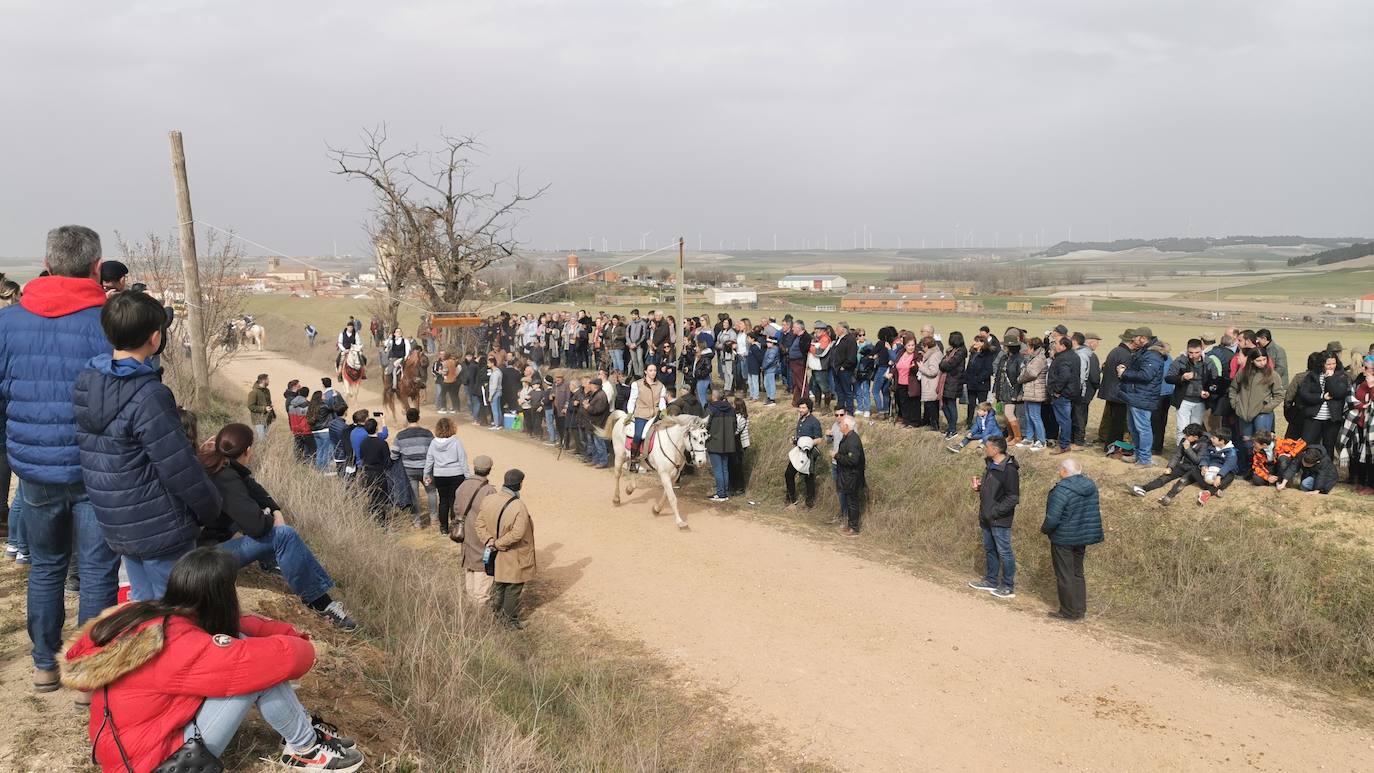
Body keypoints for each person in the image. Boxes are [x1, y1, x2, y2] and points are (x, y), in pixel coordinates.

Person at [61, 547, 364, 772]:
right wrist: (301, 644)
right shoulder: (181, 644)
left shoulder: (152, 616)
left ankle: (302, 733)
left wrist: (283, 632)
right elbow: (281, 659)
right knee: (257, 673)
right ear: (220, 596)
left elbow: (240, 627)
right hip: (156, 765)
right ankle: (305, 748)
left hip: (126, 750)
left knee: (249, 655)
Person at [0, 225, 121, 695]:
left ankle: (44, 666)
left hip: (34, 468)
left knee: (47, 566)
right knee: (95, 571)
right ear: (96, 267)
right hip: (98, 468)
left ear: (47, 265)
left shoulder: (8, 322)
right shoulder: (112, 319)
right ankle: (88, 673)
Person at [74, 290, 223, 602]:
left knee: (142, 606)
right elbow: (177, 465)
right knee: (178, 609)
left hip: (117, 519)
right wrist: (210, 507)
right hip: (161, 525)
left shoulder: (88, 381)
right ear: (155, 338)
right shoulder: (149, 394)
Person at [197, 424, 357, 631]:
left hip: (201, 550)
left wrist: (275, 510)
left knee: (258, 514)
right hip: (205, 559)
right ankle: (322, 603)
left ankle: (272, 562)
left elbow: (257, 492)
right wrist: (272, 520)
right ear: (247, 450)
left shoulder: (220, 466)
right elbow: (255, 526)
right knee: (283, 534)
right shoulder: (225, 478)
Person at [1040, 458, 1103, 621]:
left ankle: (1068, 611)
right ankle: (1079, 609)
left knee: (1064, 574)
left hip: (1063, 537)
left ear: (1065, 471)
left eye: (1060, 469)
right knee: (1077, 573)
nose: (1058, 471)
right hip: (1082, 536)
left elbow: (1053, 518)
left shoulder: (1061, 490)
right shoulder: (1091, 486)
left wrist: (1045, 530)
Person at [476, 469, 536, 629]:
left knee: (499, 582)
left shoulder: (489, 499)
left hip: (494, 551)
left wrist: (489, 541)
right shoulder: (518, 506)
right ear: (520, 484)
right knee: (514, 586)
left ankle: (494, 615)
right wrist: (499, 543)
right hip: (513, 553)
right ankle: (510, 622)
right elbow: (517, 534)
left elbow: (479, 524)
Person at [968, 436, 1019, 600]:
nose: (985, 448)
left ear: (996, 450)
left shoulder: (1009, 470)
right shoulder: (990, 465)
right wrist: (980, 488)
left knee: (1005, 552)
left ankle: (1008, 586)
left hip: (999, 519)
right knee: (990, 550)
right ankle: (991, 581)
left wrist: (995, 512)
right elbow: (994, 490)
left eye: (988, 447)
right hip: (986, 517)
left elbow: (1013, 498)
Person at [1117, 328, 1168, 466]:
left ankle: (1145, 459)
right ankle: (1138, 455)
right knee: (1133, 428)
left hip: (1143, 397)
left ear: (1144, 338)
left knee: (1143, 429)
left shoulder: (1152, 355)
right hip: (1135, 395)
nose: (1133, 340)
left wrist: (1124, 373)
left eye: (1135, 337)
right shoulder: (1145, 352)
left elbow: (1146, 375)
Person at [1229, 349, 1284, 472]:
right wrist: (1235, 405)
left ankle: (1265, 469)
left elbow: (1279, 395)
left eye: (1264, 359)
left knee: (1262, 442)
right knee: (1247, 442)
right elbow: (1233, 389)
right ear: (1252, 361)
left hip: (1262, 415)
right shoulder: (1242, 373)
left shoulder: (1272, 375)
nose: (1262, 363)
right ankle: (1248, 468)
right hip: (1244, 414)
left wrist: (1265, 408)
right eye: (1259, 360)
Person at [1129, 423, 1207, 505]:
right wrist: (1170, 467)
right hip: (1184, 466)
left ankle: (1168, 497)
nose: (1185, 437)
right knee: (1165, 477)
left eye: (1187, 436)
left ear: (1196, 437)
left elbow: (1198, 460)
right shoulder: (1184, 441)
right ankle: (1144, 488)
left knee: (1182, 481)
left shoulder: (1203, 445)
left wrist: (1188, 449)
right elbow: (1177, 455)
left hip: (1194, 470)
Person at [455, 455, 498, 600]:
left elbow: (456, 509)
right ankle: (480, 603)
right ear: (489, 470)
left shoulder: (462, 485)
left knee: (469, 564)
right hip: (481, 535)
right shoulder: (489, 491)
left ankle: (471, 600)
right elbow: (493, 516)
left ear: (474, 468)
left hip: (464, 532)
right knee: (482, 565)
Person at [1295, 349, 1349, 458]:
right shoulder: (1312, 375)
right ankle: (1307, 468)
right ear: (1322, 364)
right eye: (1328, 364)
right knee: (1307, 444)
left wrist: (1330, 378)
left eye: (1334, 363)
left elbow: (1338, 393)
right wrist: (1321, 397)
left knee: (1328, 447)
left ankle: (1326, 472)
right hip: (1314, 417)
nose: (1331, 366)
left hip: (1332, 418)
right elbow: (1304, 393)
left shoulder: (1341, 376)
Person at [392, 408, 438, 528]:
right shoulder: (427, 433)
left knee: (414, 496)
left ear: (407, 418)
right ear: (418, 417)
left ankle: (416, 522)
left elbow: (394, 454)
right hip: (426, 470)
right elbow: (434, 450)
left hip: (409, 470)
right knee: (432, 492)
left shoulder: (400, 435)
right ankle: (434, 519)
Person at [1166, 339, 1218, 446]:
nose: (1193, 355)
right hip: (1184, 400)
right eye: (1191, 353)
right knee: (1182, 429)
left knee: (1196, 430)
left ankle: (1192, 454)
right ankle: (1180, 453)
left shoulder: (1208, 362)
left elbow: (1215, 380)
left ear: (1202, 350)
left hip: (1200, 401)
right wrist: (1182, 377)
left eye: (1197, 352)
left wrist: (1209, 391)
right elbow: (1168, 378)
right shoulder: (1180, 361)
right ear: (1187, 350)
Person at [425, 417, 471, 536]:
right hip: (456, 474)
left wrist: (426, 473)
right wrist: (468, 477)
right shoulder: (456, 441)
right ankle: (454, 527)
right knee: (454, 501)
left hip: (440, 475)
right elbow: (462, 459)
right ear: (452, 427)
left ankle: (443, 528)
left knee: (443, 501)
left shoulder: (434, 443)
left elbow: (429, 459)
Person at [1339, 356, 1374, 495]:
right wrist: (1360, 406)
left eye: (1366, 368)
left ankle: (1371, 484)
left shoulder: (1370, 382)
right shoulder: (1359, 380)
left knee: (1370, 454)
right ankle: (1361, 481)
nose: (1363, 370)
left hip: (1371, 424)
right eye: (1363, 367)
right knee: (1359, 452)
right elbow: (1351, 396)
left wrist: (1371, 386)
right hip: (1358, 420)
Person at [784, 399, 823, 509]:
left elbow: (819, 439)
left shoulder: (814, 422)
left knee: (808, 477)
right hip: (798, 452)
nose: (801, 410)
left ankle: (809, 502)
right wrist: (796, 440)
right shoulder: (801, 419)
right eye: (800, 408)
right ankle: (792, 498)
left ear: (809, 408)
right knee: (788, 474)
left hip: (808, 453)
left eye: (803, 408)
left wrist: (808, 443)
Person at [1046, 335, 1082, 454]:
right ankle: (1065, 442)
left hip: (1063, 394)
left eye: (1056, 343)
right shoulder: (1074, 356)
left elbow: (1065, 376)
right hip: (1070, 393)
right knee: (1066, 419)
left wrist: (1056, 390)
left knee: (1064, 420)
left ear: (1063, 346)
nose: (1054, 345)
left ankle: (1064, 445)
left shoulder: (1063, 358)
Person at [628, 364, 667, 469]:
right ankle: (633, 459)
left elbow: (662, 400)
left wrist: (664, 410)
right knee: (638, 435)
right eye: (650, 370)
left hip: (655, 415)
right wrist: (630, 413)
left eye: (654, 370)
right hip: (641, 414)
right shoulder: (637, 384)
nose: (653, 372)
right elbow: (632, 400)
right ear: (645, 372)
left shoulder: (661, 386)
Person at [1098, 333, 1133, 446]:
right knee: (1118, 423)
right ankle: (1113, 446)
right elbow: (1124, 375)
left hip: (1111, 391)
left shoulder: (1115, 350)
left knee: (1111, 420)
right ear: (1131, 342)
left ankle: (1108, 442)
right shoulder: (1126, 355)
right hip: (1119, 393)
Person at [834, 414, 866, 537]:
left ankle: (854, 528)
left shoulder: (852, 440)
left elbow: (853, 460)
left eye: (841, 424)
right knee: (849, 500)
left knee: (852, 502)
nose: (840, 426)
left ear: (846, 426)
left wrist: (837, 456)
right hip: (847, 476)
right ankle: (850, 525)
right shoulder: (848, 437)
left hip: (852, 477)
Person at [1016, 336, 1049, 451]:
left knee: (1035, 416)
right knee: (1028, 416)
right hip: (1029, 391)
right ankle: (1029, 439)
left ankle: (1041, 440)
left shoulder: (1039, 359)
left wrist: (1020, 378)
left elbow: (1032, 373)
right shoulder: (1033, 357)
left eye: (1028, 346)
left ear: (1032, 347)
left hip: (1035, 392)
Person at [705, 388, 738, 502]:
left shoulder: (711, 409)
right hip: (728, 443)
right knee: (724, 468)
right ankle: (724, 492)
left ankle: (721, 494)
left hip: (714, 442)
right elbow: (735, 426)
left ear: (714, 397)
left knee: (718, 469)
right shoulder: (731, 409)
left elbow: (705, 425)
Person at [358, 418, 391, 522]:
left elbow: (362, 457)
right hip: (379, 473)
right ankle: (382, 522)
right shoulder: (382, 443)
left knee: (372, 496)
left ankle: (373, 519)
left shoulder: (363, 443)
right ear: (376, 428)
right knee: (382, 498)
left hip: (367, 474)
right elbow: (388, 461)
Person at [938, 332, 967, 438]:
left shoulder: (960, 352)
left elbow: (949, 365)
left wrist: (943, 364)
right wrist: (943, 363)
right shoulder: (952, 351)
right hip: (948, 381)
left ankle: (952, 429)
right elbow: (942, 363)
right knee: (945, 405)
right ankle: (950, 427)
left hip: (954, 382)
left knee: (951, 405)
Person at [583, 378, 611, 468]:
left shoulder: (601, 395)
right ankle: (595, 460)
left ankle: (603, 461)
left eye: (590, 384)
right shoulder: (595, 394)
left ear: (595, 386)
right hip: (593, 422)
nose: (589, 386)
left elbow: (598, 410)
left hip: (599, 423)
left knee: (599, 443)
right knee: (594, 443)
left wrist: (588, 407)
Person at [247, 374, 274, 439]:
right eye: (268, 379)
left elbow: (268, 403)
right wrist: (264, 409)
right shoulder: (254, 392)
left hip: (267, 418)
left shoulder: (267, 391)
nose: (269, 381)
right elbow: (250, 406)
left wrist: (272, 413)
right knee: (262, 439)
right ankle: (260, 449)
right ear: (263, 381)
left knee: (266, 439)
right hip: (258, 419)